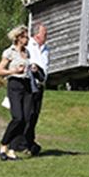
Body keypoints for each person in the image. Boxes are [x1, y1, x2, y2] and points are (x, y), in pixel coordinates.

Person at [0, 25, 37, 161]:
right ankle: (3, 144)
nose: (28, 38)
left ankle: (12, 149)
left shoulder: (27, 52)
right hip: (15, 84)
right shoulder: (9, 52)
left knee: (26, 119)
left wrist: (33, 69)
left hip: (26, 85)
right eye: (25, 36)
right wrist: (14, 71)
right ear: (18, 38)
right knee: (17, 118)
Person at [25, 23, 50, 155]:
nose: (46, 36)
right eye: (44, 34)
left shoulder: (46, 48)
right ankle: (25, 143)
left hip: (40, 84)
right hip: (30, 84)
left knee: (35, 115)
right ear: (37, 35)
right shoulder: (28, 46)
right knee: (28, 114)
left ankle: (29, 142)